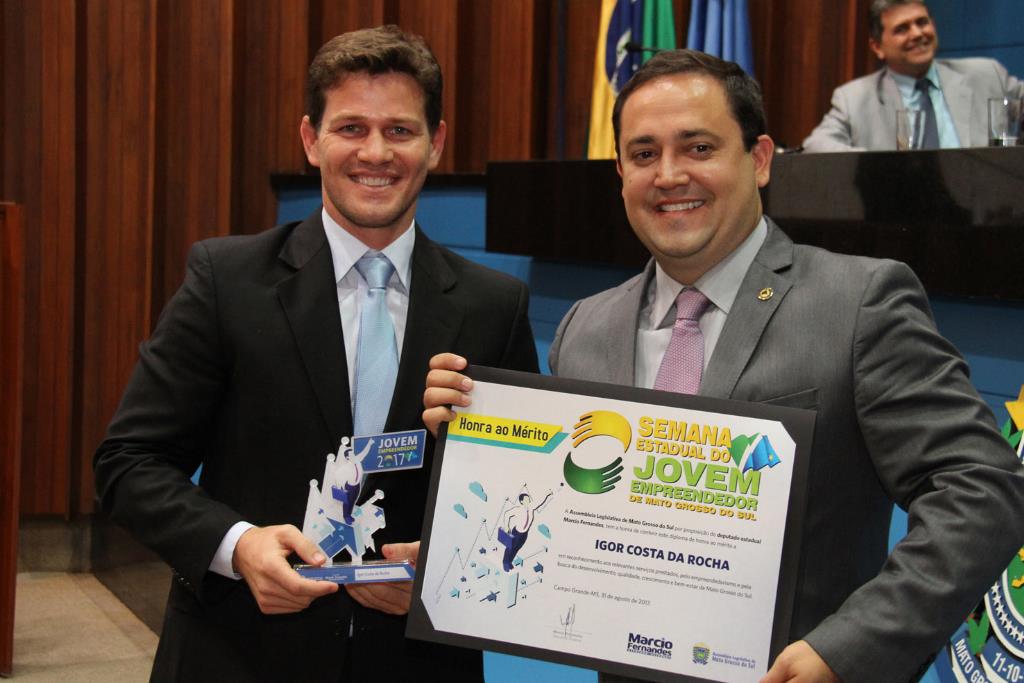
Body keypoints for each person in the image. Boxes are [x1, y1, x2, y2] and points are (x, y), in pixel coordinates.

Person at [424, 48, 1024, 682]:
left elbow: (981, 488)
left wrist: (847, 650)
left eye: (699, 148)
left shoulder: (858, 303)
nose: (669, 175)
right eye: (644, 154)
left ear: (759, 159)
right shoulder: (583, 329)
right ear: (621, 173)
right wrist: (466, 477)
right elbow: (571, 516)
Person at [93, 25, 538, 683]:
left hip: (414, 662)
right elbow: (129, 463)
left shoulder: (493, 304)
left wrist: (446, 567)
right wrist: (238, 546)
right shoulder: (226, 281)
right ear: (311, 139)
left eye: (400, 130)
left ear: (436, 143)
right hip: (242, 652)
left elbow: (520, 494)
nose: (376, 152)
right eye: (351, 128)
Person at [802, 0, 1024, 151]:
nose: (917, 33)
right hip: (901, 204)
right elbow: (816, 144)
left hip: (986, 202)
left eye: (922, 22)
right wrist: (877, 165)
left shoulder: (986, 74)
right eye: (902, 29)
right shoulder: (854, 99)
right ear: (877, 46)